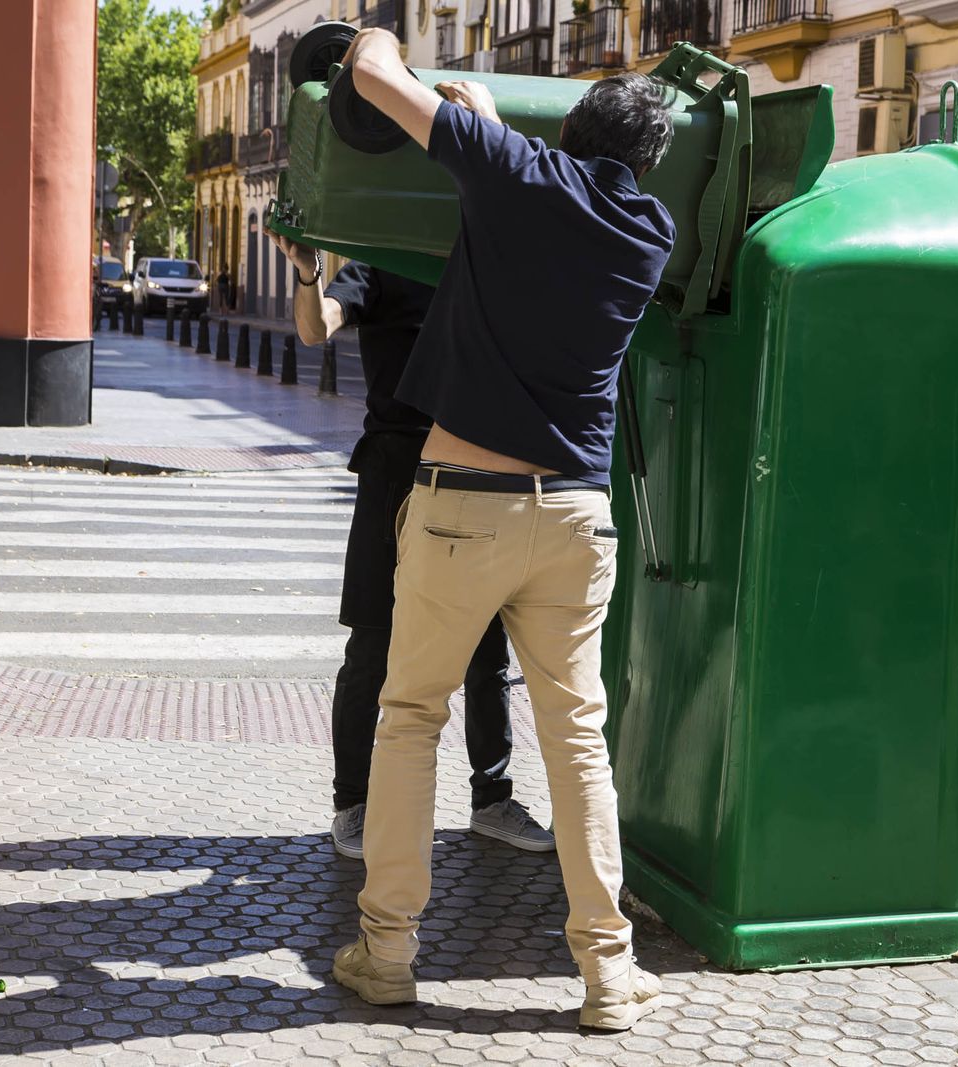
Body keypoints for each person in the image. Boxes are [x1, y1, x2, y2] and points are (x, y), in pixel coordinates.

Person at [325, 27, 676, 1032]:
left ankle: (386, 952)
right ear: (645, 164)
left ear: (566, 131)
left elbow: (373, 75)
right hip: (576, 515)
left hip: (461, 508)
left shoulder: (517, 173)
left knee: (409, 718)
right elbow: (550, 202)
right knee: (577, 740)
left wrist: (378, 36)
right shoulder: (646, 233)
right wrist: (487, 134)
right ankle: (608, 972)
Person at [260, 237, 555, 860]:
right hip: (396, 474)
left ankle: (492, 800)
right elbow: (317, 328)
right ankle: (353, 805)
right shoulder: (385, 257)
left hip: (479, 474)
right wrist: (310, 274)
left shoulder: (494, 258)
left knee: (485, 649)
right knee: (372, 645)